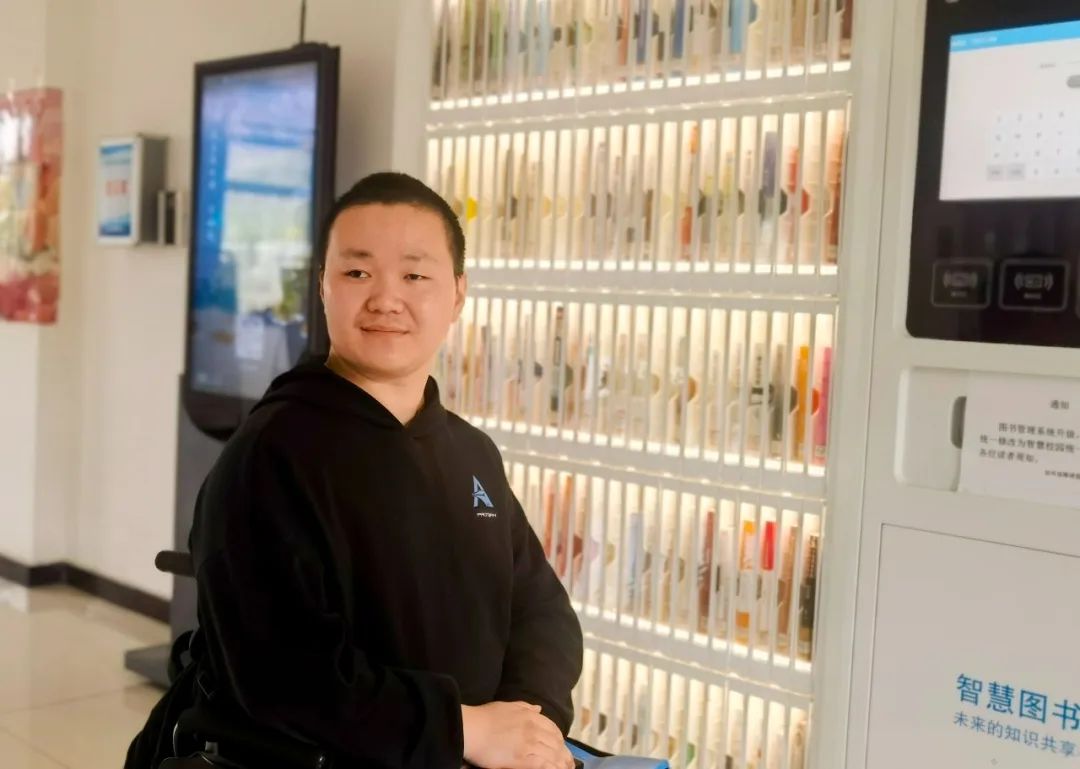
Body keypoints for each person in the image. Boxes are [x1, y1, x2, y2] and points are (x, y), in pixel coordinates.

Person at [184, 172, 583, 769]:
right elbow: (279, 672)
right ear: (322, 286)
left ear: (458, 293)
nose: (386, 299)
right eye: (357, 273)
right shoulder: (271, 455)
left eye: (415, 276)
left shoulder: (471, 452)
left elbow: (542, 613)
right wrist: (462, 730)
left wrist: (527, 726)